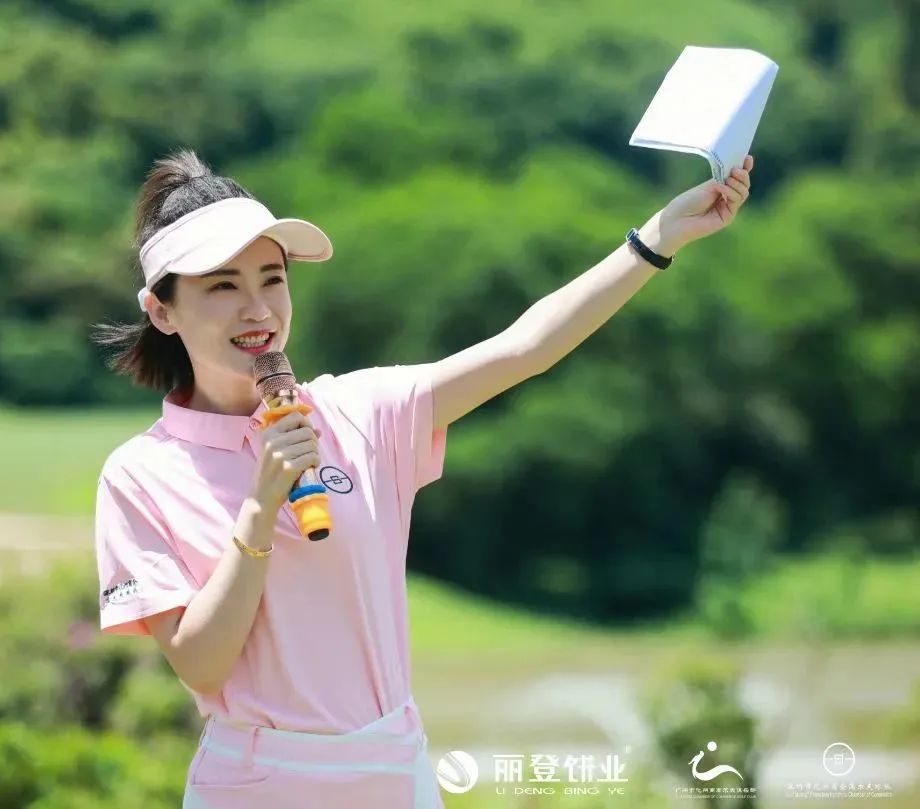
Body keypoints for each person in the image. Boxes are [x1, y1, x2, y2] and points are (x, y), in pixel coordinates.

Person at [90, 148, 754, 808]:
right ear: (162, 310)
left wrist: (658, 238)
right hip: (256, 784)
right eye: (223, 286)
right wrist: (260, 510)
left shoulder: (359, 413)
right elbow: (201, 664)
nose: (258, 308)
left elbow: (525, 348)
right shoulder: (140, 475)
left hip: (392, 772)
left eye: (272, 278)